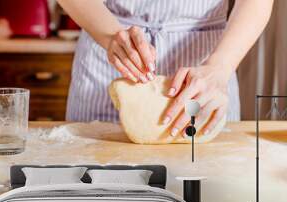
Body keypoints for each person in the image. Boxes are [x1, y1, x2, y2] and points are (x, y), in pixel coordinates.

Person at [58, 0, 273, 137]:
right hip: (109, 51)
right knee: (96, 185)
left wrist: (219, 67)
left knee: (207, 192)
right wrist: (110, 35)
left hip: (209, 66)